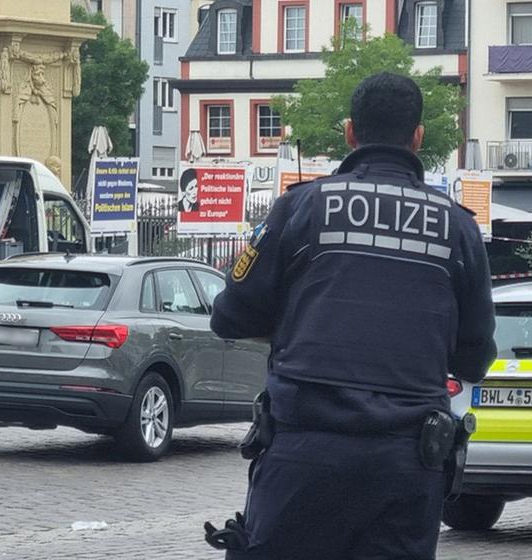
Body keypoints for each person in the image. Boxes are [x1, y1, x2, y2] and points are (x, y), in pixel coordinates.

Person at [207, 73, 496, 559]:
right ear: (419, 136)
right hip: (407, 464)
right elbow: (474, 357)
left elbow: (230, 316)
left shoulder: (300, 208)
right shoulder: (458, 229)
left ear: (349, 132)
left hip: (303, 455)